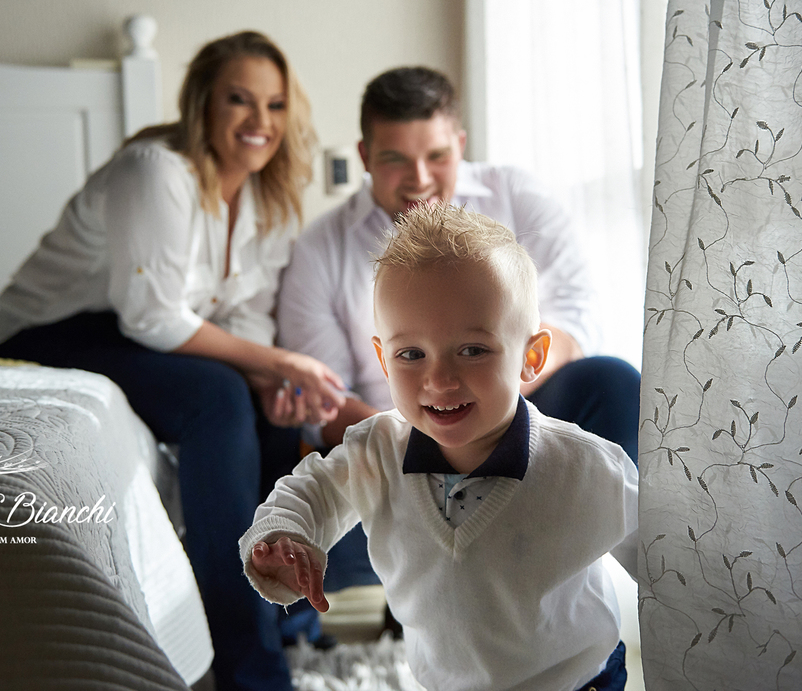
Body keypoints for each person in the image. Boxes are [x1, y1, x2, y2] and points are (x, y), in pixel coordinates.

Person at [0, 31, 346, 691]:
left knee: (269, 414)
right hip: (46, 332)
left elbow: (243, 316)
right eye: (239, 100)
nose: (259, 121)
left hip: (140, 332)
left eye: (274, 104)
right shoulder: (155, 170)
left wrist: (272, 379)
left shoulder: (270, 198)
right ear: (203, 103)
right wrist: (275, 363)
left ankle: (284, 621)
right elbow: (149, 315)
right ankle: (248, 671)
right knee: (217, 396)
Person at [242, 204, 640, 691]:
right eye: (411, 354)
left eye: (472, 350)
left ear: (530, 357)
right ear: (383, 360)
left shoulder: (584, 467)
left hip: (577, 681)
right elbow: (311, 491)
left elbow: (676, 564)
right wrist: (285, 536)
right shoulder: (377, 452)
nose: (439, 379)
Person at [276, 66, 641, 461]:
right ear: (364, 156)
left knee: (612, 381)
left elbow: (577, 318)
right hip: (399, 447)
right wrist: (427, 436)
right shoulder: (320, 248)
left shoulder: (516, 195)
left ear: (460, 144)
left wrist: (491, 395)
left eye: (437, 156)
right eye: (395, 159)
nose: (419, 178)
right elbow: (326, 397)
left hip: (523, 412)